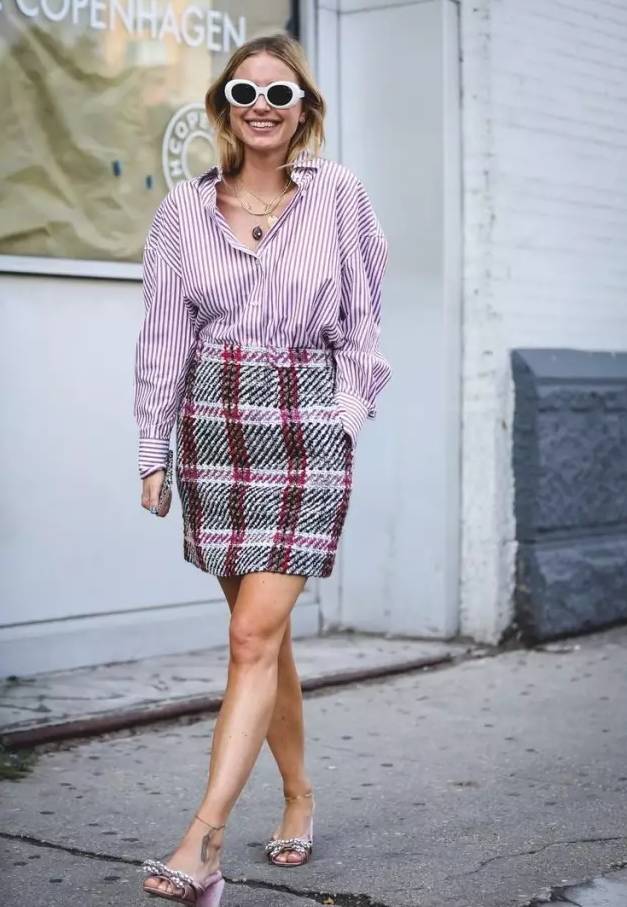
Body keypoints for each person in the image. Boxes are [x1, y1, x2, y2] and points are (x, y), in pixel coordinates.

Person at [134, 31, 391, 907]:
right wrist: (152, 448)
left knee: (250, 637)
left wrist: (344, 411)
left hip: (305, 423)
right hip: (214, 427)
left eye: (280, 94)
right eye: (245, 93)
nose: (262, 108)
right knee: (260, 637)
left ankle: (203, 842)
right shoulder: (181, 212)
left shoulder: (340, 195)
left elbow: (365, 314)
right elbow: (162, 337)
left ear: (303, 109)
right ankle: (298, 793)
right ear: (223, 107)